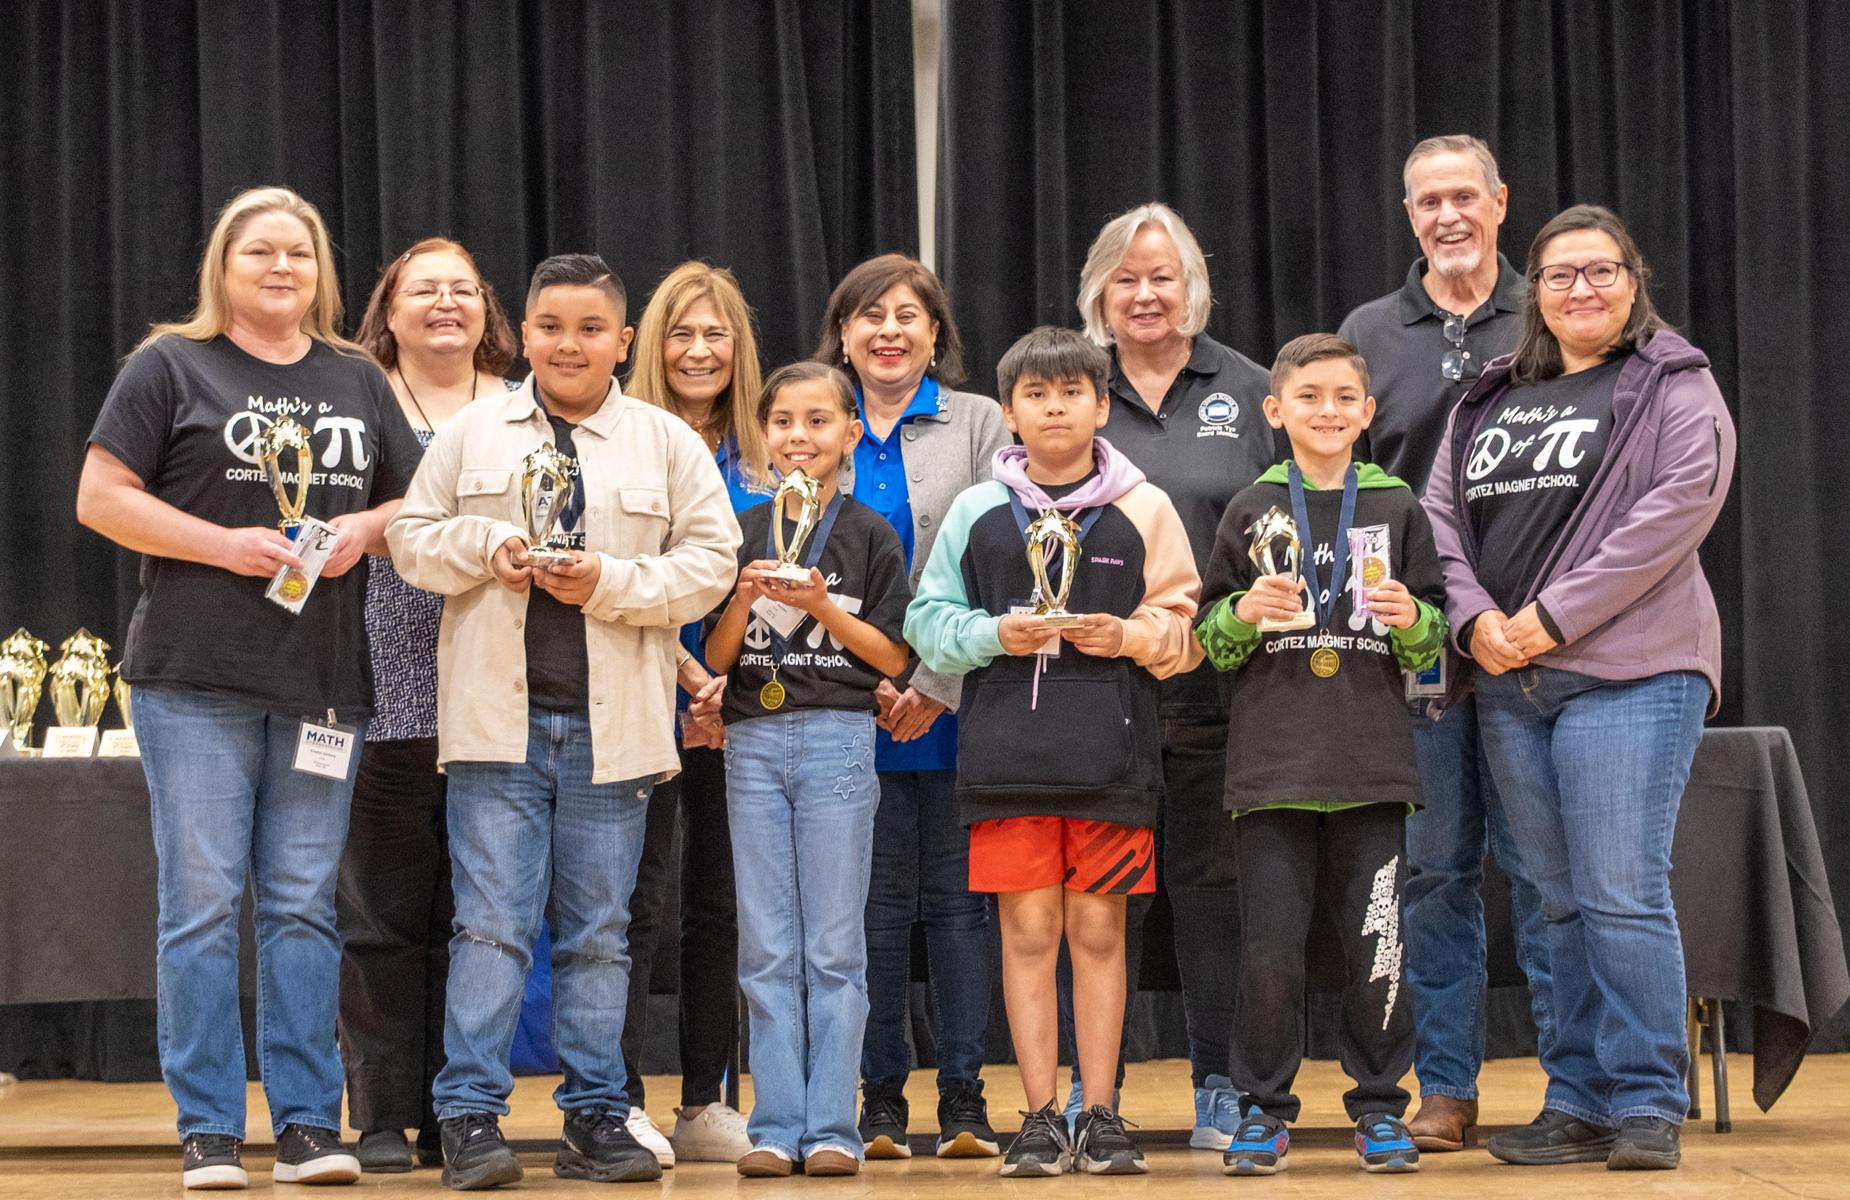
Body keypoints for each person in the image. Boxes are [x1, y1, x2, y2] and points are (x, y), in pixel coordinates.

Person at [76, 185, 423, 1189]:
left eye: (300, 255)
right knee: (199, 904)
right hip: (193, 679)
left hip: (322, 687)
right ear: (221, 269)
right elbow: (102, 498)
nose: (281, 268)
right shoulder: (168, 366)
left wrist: (365, 529)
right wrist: (223, 546)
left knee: (305, 910)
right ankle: (209, 1131)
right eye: (259, 252)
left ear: (321, 273)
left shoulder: (357, 379)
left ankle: (310, 1125)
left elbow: (411, 495)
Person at [387, 253, 740, 1190]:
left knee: (599, 934)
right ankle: (468, 1117)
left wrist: (614, 583)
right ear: (527, 333)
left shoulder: (666, 442)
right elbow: (411, 540)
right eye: (551, 326)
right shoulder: (472, 432)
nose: (569, 344)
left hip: (613, 733)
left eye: (591, 329)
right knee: (491, 929)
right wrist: (486, 545)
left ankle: (593, 1116)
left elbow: (712, 563)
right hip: (494, 734)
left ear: (623, 342)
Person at [1425, 205, 1735, 1171]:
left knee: (1618, 890)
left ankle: (1647, 1098)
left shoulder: (1674, 386)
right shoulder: (1488, 396)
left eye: (1601, 272)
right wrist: (1476, 621)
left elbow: (1675, 509)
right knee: (1554, 899)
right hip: (1511, 677)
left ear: (1632, 282)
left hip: (1629, 671)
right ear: (1536, 295)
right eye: (1560, 277)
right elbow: (1439, 514)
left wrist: (1551, 618)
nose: (1582, 290)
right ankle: (1579, 1098)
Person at [905, 325, 1202, 1176]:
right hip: (1005, 762)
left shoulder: (1145, 507)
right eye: (1036, 395)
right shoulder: (975, 511)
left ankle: (1100, 1111)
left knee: (1100, 931)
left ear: (1103, 405)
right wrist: (994, 632)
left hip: (1112, 762)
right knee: (1029, 930)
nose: (1055, 407)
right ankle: (1039, 1115)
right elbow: (927, 622)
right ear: (1009, 413)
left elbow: (1186, 632)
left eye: (1072, 392)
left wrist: (1133, 635)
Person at [1337, 134, 1551, 1152]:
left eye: (1463, 195)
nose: (1446, 216)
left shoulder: (1552, 306)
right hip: (1413, 653)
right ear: (1407, 213)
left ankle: (1576, 1086)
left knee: (1548, 874)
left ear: (1499, 202)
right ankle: (1449, 1090)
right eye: (1427, 201)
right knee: (1431, 877)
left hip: (1534, 641)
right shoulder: (1370, 330)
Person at [1195, 333, 1447, 1176]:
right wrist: (1243, 615)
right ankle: (1263, 1110)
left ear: (1367, 411)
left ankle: (1380, 1108)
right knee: (1269, 955)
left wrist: (1413, 619)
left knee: (1379, 949)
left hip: (1373, 770)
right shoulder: (1251, 508)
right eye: (1308, 397)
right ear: (1275, 411)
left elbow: (1434, 648)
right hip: (1271, 773)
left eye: (1344, 397)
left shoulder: (1399, 507)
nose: (1328, 411)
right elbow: (1211, 641)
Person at [1075, 202, 1274, 1146]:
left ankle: (1221, 1085)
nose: (1146, 293)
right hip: (1090, 692)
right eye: (1126, 278)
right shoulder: (1071, 390)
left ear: (1191, 285)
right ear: (1099, 296)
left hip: (1218, 691)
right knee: (1101, 893)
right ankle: (1089, 1090)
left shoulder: (1253, 388)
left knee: (1209, 891)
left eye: (1162, 276)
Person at [813, 254, 1008, 1158]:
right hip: (846, 710)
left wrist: (933, 686)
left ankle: (964, 1094)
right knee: (875, 912)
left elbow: (997, 561)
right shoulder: (820, 420)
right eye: (869, 316)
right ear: (843, 333)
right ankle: (882, 1095)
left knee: (962, 910)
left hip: (960, 710)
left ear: (937, 333)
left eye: (908, 316)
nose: (888, 331)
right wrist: (873, 685)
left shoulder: (979, 421)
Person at [705, 362, 912, 1178]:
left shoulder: (870, 534)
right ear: (764, 436)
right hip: (753, 740)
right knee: (764, 945)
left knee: (832, 945)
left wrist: (823, 606)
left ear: (850, 433)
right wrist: (742, 600)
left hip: (837, 736)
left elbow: (893, 655)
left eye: (819, 421)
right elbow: (718, 657)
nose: (800, 436)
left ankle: (832, 1124)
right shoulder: (744, 529)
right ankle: (774, 1122)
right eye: (784, 422)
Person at [336, 237, 517, 1174]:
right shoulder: (354, 398)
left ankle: (463, 1109)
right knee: (380, 917)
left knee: (481, 919)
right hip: (383, 694)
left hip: (499, 696)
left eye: (463, 289)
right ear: (390, 309)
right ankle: (376, 1111)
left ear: (486, 309)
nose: (445, 304)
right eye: (424, 290)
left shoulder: (527, 408)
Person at [620, 260, 770, 1165]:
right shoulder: (621, 441)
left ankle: (707, 1099)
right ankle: (619, 1096)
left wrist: (721, 686)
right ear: (653, 347)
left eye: (717, 333)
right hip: (638, 696)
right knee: (632, 907)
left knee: (720, 906)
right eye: (682, 332)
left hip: (741, 709)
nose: (700, 349)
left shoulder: (768, 451)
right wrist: (681, 672)